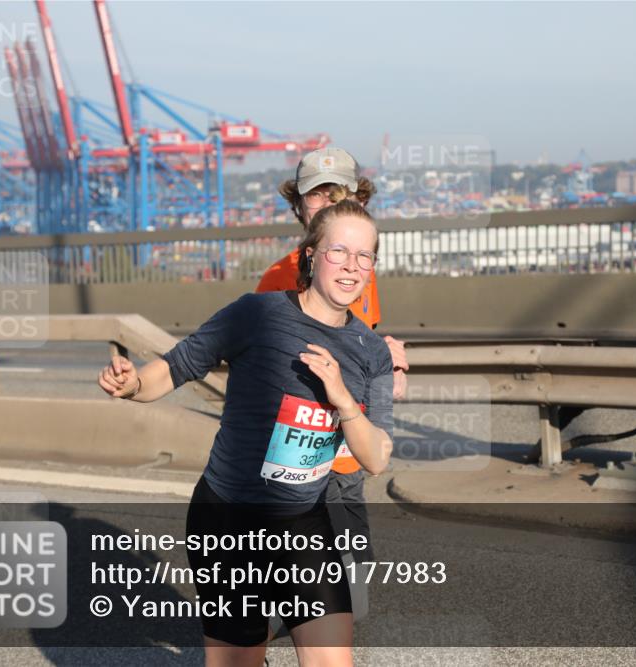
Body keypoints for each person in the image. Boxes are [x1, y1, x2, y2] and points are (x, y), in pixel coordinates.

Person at [97, 200, 394, 667]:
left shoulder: (372, 353)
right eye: (340, 252)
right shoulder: (257, 314)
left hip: (303, 522)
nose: (352, 266)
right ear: (310, 255)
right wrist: (132, 384)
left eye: (365, 256)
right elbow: (176, 368)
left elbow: (376, 456)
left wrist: (340, 399)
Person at [256, 147, 406, 563]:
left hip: (346, 450)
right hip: (297, 455)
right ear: (298, 206)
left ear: (359, 202)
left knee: (349, 581)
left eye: (338, 194)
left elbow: (364, 334)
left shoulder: (360, 270)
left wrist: (388, 357)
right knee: (299, 586)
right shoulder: (278, 278)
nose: (328, 205)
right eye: (316, 195)